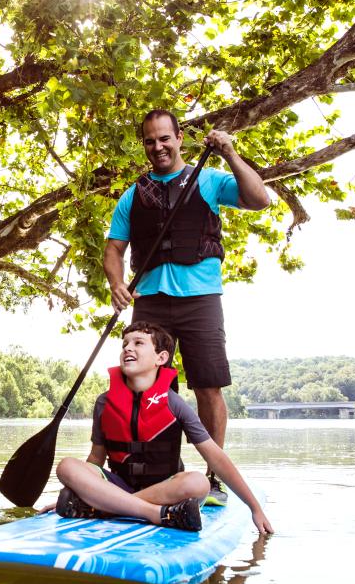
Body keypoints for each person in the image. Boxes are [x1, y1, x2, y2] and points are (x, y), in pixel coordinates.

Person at [104, 109, 270, 505]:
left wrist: (230, 153)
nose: (158, 146)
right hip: (151, 302)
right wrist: (116, 283)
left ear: (179, 138)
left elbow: (259, 199)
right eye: (150, 140)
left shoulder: (209, 180)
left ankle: (213, 478)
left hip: (200, 298)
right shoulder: (133, 195)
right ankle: (153, 475)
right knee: (145, 388)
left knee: (208, 386)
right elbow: (113, 248)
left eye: (164, 138)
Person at [54, 321, 272, 534]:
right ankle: (153, 513)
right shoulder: (105, 402)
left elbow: (217, 458)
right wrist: (78, 486)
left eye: (138, 343)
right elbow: (96, 457)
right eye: (125, 344)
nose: (128, 348)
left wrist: (255, 508)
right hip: (120, 485)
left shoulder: (173, 403)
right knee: (67, 467)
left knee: (198, 483)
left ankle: (104, 508)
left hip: (165, 489)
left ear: (161, 357)